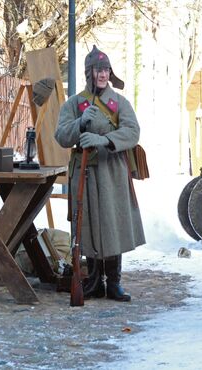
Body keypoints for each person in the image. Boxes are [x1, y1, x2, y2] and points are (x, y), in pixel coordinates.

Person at [54, 45, 145, 302]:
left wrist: (105, 140)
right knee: (88, 224)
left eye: (106, 70)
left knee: (112, 223)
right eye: (98, 70)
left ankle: (114, 282)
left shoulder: (119, 103)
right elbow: (61, 135)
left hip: (112, 172)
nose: (103, 75)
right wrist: (79, 123)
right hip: (85, 172)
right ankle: (93, 280)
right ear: (89, 73)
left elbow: (132, 132)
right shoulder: (74, 104)